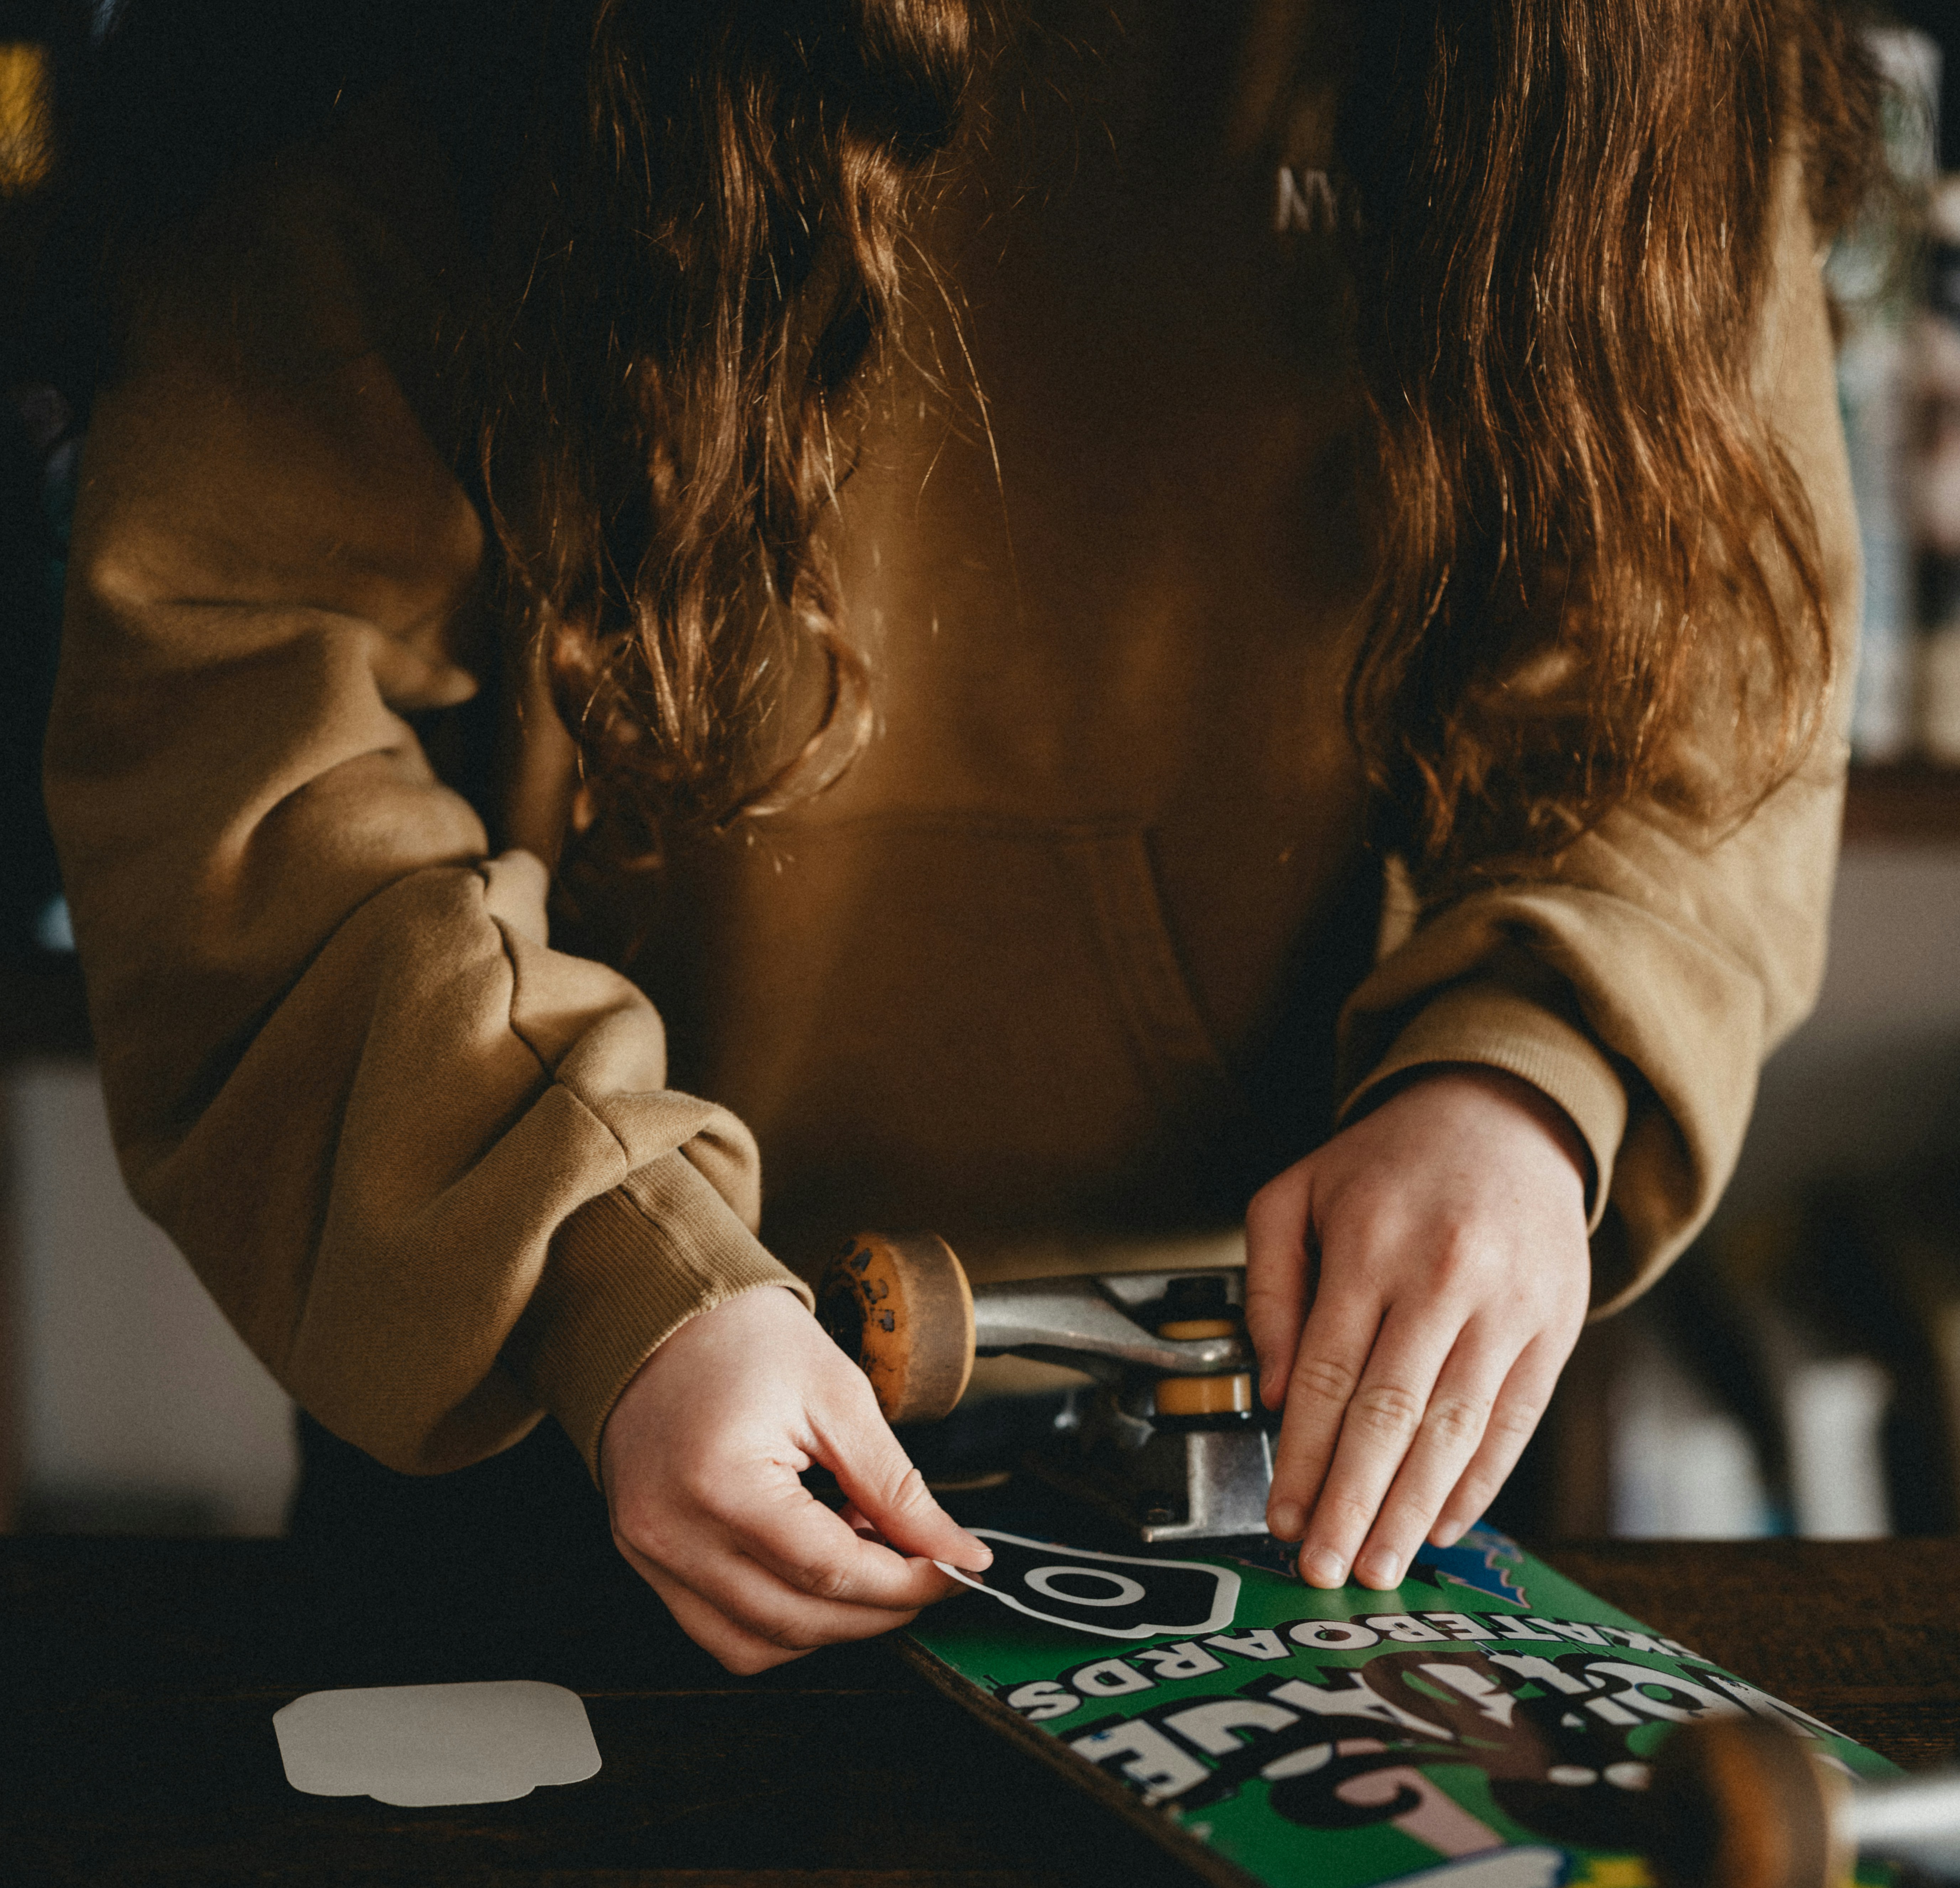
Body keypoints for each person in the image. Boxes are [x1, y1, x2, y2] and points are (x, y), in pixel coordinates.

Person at [39, 0, 1877, 1669]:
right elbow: (231, 716)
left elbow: (1707, 654)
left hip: (1298, 1471)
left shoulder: (1638, 54)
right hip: (551, 1450)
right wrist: (609, 1263)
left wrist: (1528, 1076)